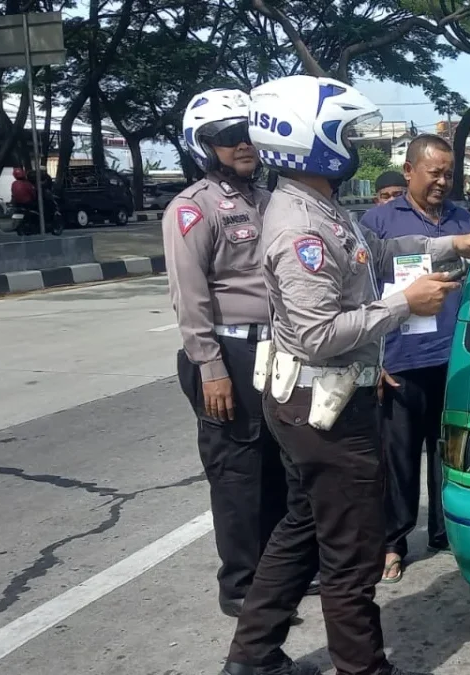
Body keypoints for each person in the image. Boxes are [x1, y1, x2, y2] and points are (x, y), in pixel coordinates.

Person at [222, 74, 470, 675]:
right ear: (312, 138)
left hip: (313, 399)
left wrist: (456, 243)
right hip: (324, 405)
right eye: (345, 131)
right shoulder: (300, 226)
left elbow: (377, 255)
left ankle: (252, 657)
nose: (353, 142)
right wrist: (408, 305)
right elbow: (318, 333)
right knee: (351, 554)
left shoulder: (319, 205)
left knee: (302, 525)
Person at [163, 88, 319, 622]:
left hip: (276, 349)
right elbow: (190, 296)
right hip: (228, 352)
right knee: (238, 476)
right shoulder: (193, 208)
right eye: (227, 138)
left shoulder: (271, 199)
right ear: (204, 145)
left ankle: (280, 574)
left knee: (282, 466)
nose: (242, 145)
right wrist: (211, 368)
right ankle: (242, 587)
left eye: (247, 133)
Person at [358, 134, 470, 584]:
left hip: (454, 358)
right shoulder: (378, 221)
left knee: (448, 451)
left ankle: (447, 532)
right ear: (409, 171)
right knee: (398, 457)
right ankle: (393, 540)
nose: (443, 181)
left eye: (449, 173)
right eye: (434, 172)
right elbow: (363, 294)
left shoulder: (462, 218)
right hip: (401, 360)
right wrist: (374, 358)